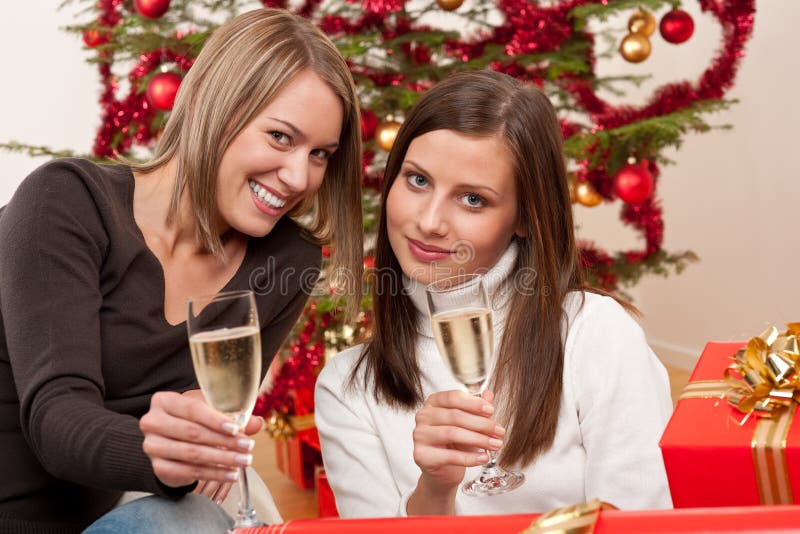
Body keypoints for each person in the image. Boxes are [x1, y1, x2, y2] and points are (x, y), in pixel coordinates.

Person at [0, 8, 363, 533]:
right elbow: (56, 421)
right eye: (281, 137)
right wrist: (171, 456)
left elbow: (216, 412)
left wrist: (202, 433)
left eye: (320, 154)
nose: (298, 177)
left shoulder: (285, 261)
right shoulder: (65, 202)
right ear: (209, 106)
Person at [315, 70, 673, 518]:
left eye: (473, 200)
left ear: (524, 217)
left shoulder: (595, 334)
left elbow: (645, 523)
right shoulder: (348, 387)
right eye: (418, 180)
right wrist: (435, 489)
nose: (429, 221)